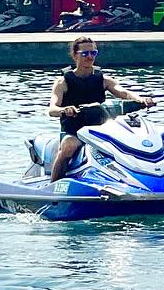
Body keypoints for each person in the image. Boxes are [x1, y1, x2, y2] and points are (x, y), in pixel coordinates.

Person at [46, 36, 154, 183]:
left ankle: (139, 180)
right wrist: (65, 110)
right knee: (68, 148)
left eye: (93, 53)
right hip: (74, 130)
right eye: (85, 53)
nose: (90, 57)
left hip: (100, 129)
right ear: (75, 55)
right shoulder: (63, 82)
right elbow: (52, 108)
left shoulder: (103, 79)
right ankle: (54, 186)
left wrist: (141, 99)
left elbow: (124, 92)